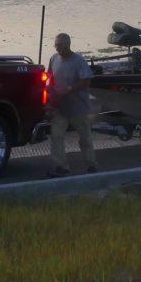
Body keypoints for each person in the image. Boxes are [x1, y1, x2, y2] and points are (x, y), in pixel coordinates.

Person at [47, 32, 97, 177]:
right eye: (56, 45)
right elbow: (50, 77)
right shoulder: (54, 58)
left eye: (60, 45)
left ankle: (91, 165)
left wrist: (68, 89)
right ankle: (61, 167)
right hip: (60, 107)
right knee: (56, 137)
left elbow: (86, 81)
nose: (57, 48)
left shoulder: (79, 61)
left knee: (85, 138)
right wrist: (49, 97)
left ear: (68, 45)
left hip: (78, 107)